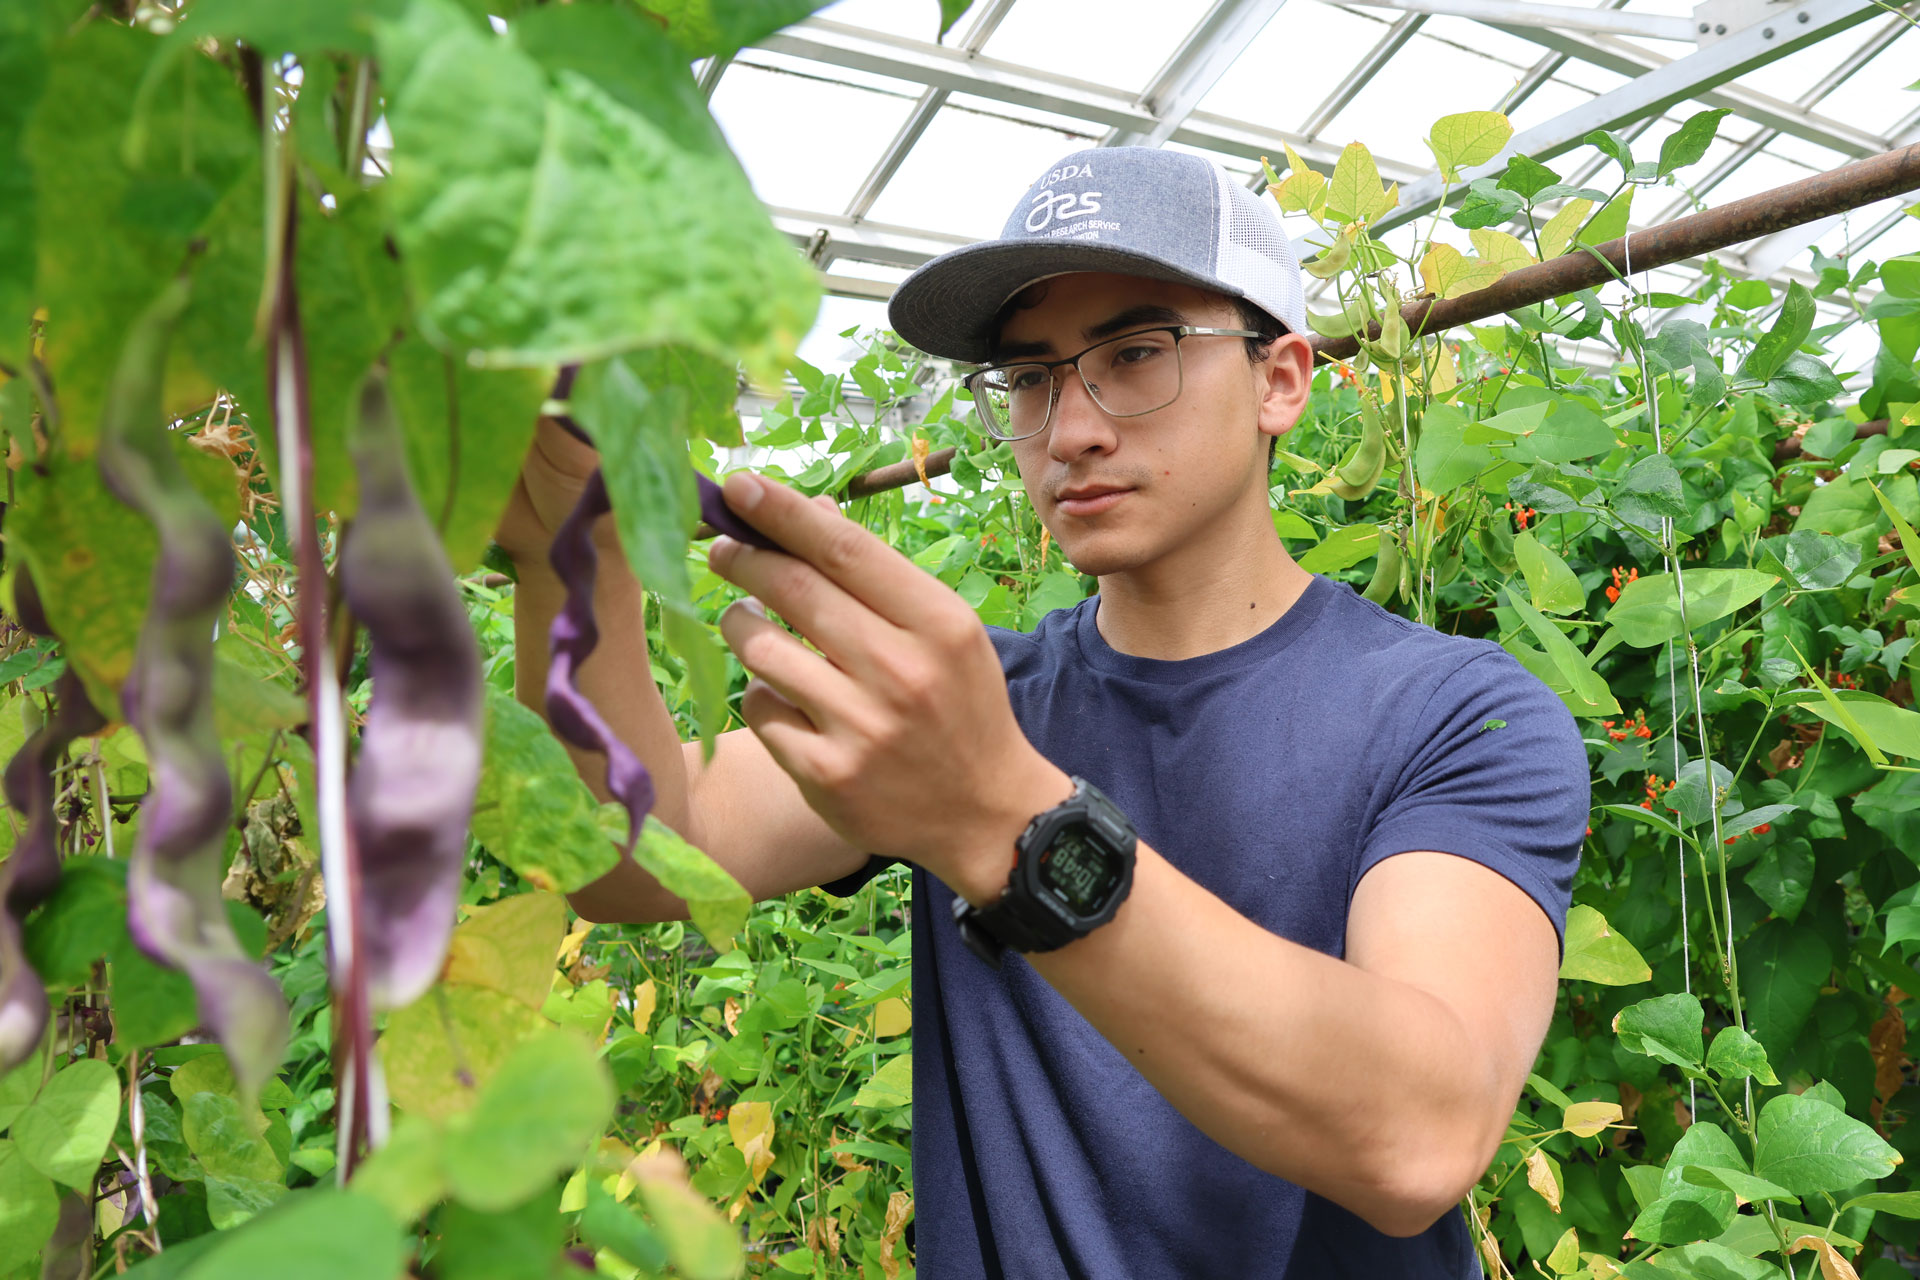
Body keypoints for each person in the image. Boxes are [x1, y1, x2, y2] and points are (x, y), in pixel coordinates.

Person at [496, 145, 1590, 1278]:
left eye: (1135, 354)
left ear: (1283, 380)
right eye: (1031, 379)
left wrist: (998, 818)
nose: (1071, 430)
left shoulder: (1458, 715)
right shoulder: (987, 700)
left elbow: (1419, 1134)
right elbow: (634, 857)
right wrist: (570, 557)